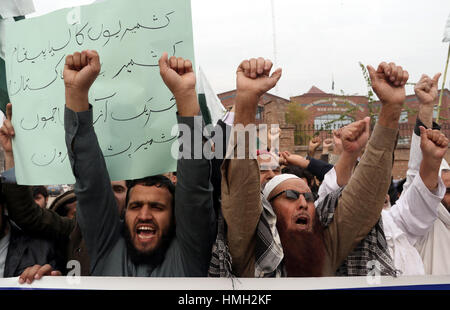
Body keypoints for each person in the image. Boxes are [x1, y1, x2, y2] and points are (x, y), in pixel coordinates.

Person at [220, 60, 409, 277]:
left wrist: (391, 109)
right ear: (269, 209)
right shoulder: (249, 254)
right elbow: (242, 190)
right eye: (290, 196)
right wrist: (246, 102)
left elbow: (364, 199)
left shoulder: (324, 249)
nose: (303, 204)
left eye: (309, 199)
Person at [62, 49, 215, 276]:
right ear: (124, 216)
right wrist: (76, 93)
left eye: (157, 207)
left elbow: (195, 187)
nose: (144, 215)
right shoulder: (106, 246)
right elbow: (90, 183)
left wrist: (185, 95)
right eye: (135, 206)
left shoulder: (189, 253)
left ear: (175, 218)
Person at [389, 73, 450, 275]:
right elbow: (417, 171)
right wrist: (426, 108)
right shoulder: (418, 223)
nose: (446, 195)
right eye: (442, 189)